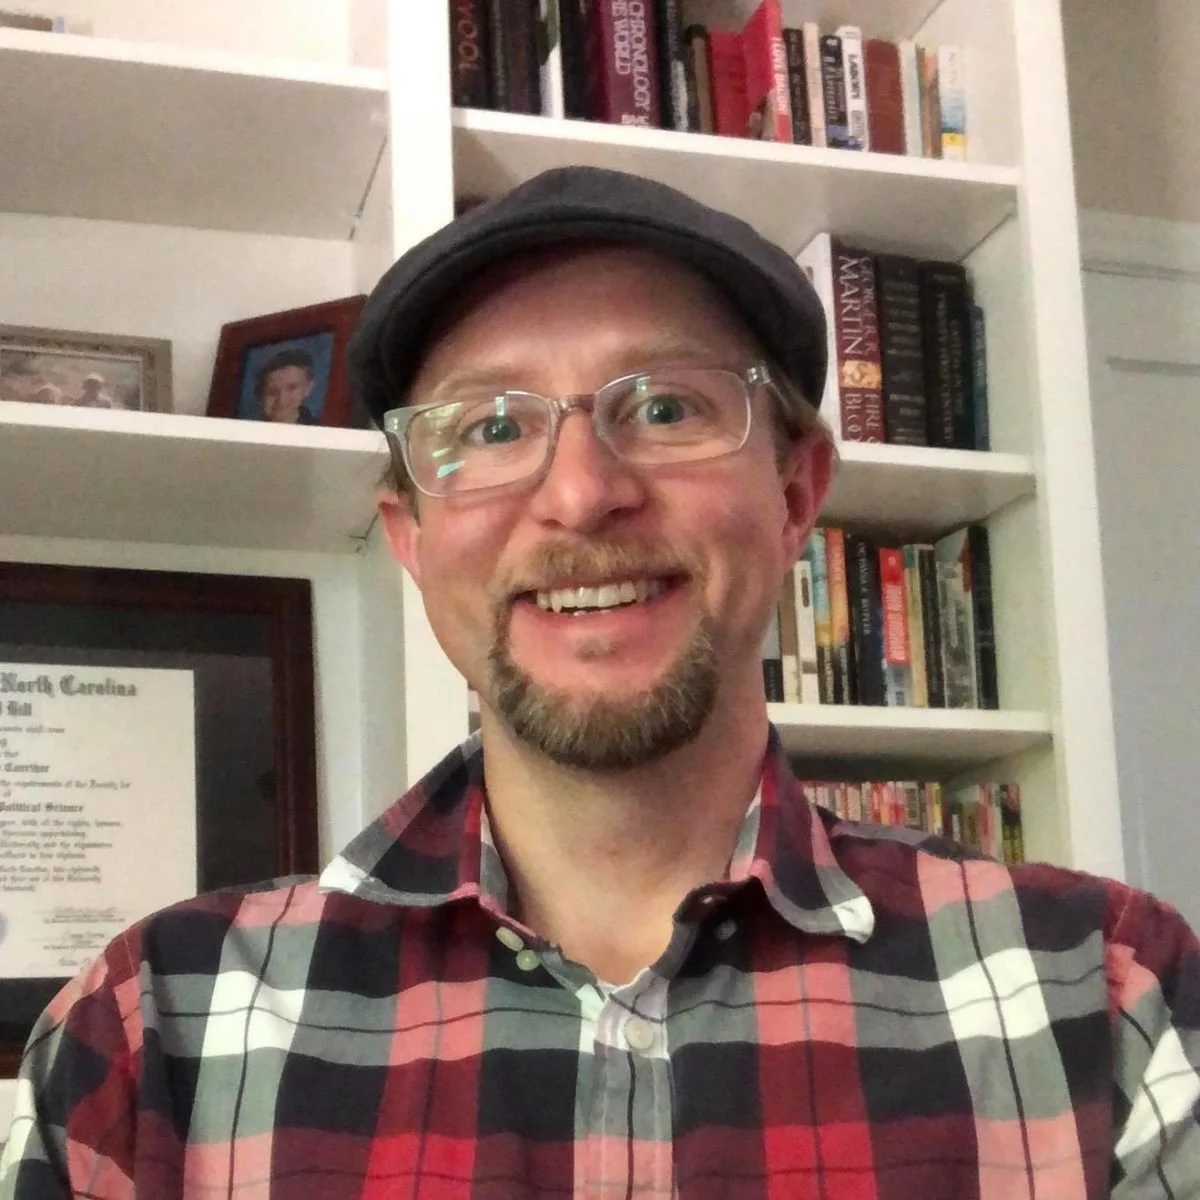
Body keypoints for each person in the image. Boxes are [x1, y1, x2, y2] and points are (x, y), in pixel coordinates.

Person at [2, 167, 1198, 1199]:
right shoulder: (153, 1031)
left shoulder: (1105, 997)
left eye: (667, 406)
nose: (580, 494)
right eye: (490, 428)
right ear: (411, 538)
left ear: (795, 495)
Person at [253, 346, 318, 424]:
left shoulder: (322, 431)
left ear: (308, 388)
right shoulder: (246, 431)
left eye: (291, 388)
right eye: (273, 392)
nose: (282, 400)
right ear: (261, 396)